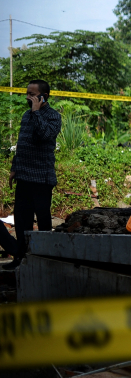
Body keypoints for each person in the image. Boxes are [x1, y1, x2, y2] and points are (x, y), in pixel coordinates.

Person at [4, 80, 62, 270]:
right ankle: (21, 258)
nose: (28, 97)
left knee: (44, 221)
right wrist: (14, 168)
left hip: (42, 178)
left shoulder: (53, 116)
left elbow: (45, 135)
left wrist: (37, 112)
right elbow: (22, 144)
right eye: (27, 93)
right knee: (21, 222)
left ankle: (45, 259)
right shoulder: (25, 116)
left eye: (32, 94)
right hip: (24, 177)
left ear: (43, 96)